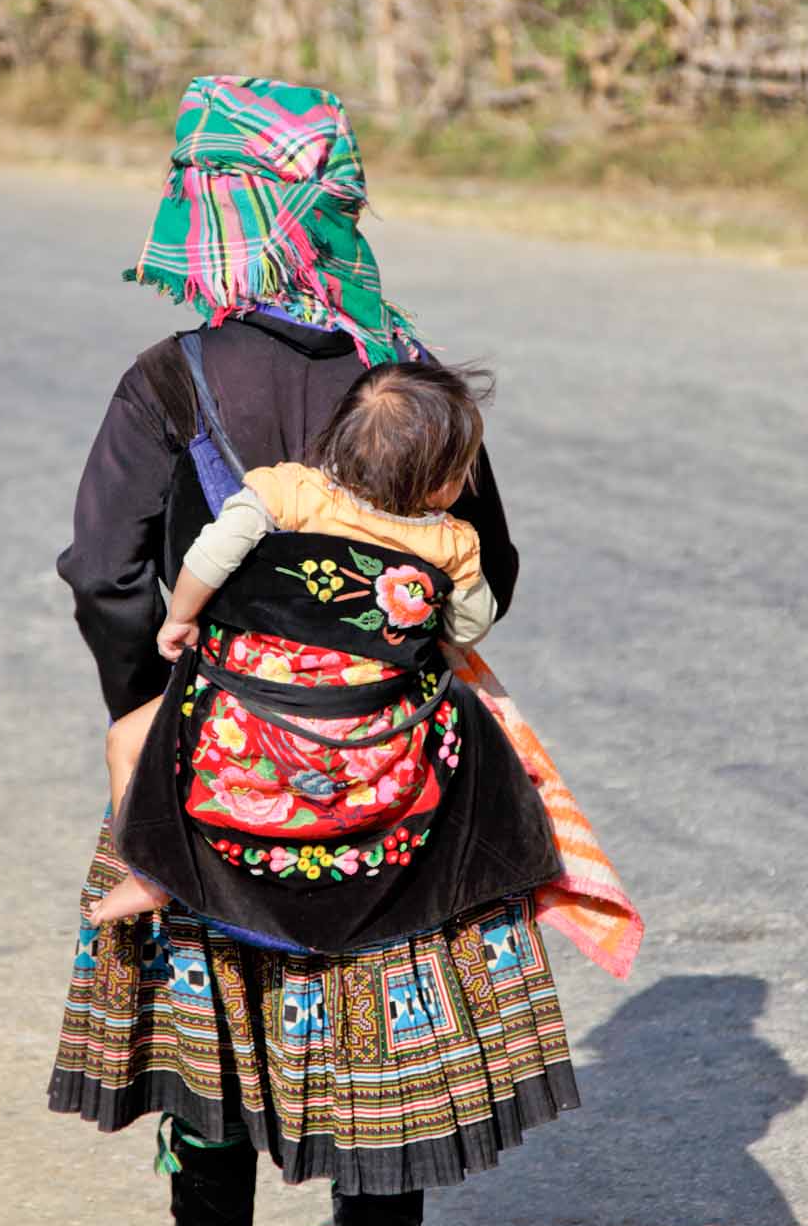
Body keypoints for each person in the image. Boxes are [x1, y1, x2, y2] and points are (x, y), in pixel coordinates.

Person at [48, 74, 638, 1226]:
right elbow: (493, 572)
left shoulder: (171, 376)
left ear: (215, 211)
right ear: (339, 206)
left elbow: (104, 573)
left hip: (214, 771)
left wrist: (140, 715)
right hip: (398, 795)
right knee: (388, 1078)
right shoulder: (418, 382)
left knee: (212, 1037)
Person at [90, 356, 507, 931]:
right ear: (445, 482)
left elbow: (213, 553)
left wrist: (180, 619)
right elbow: (468, 628)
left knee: (125, 742)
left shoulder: (292, 490)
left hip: (249, 714)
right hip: (373, 734)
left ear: (338, 442)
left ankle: (150, 872)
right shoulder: (451, 542)